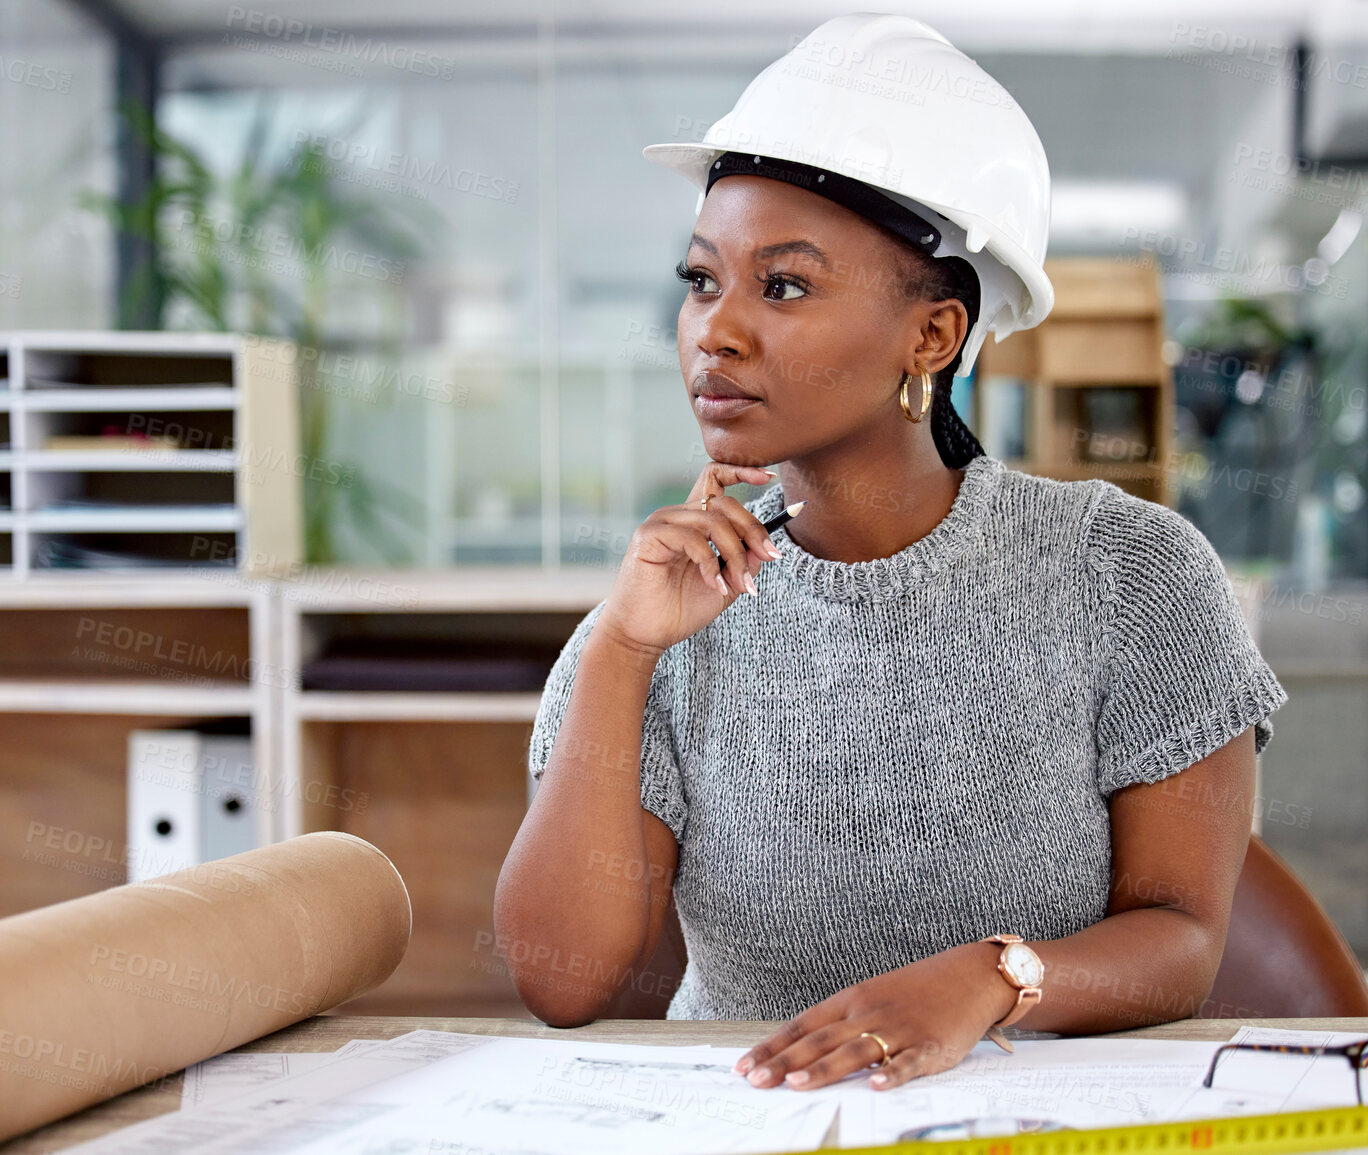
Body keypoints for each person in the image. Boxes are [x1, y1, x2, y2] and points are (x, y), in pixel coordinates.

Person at [494, 13, 1288, 1094]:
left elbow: (1185, 941)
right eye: (700, 280)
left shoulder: (1129, 575)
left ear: (932, 337)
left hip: (1035, 1113)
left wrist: (995, 979)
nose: (714, 332)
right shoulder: (669, 611)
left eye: (782, 286)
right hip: (754, 1121)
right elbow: (565, 983)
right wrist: (626, 653)